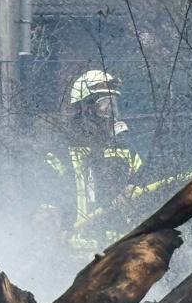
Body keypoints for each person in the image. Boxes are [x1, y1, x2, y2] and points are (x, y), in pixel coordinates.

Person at [41, 69, 143, 252]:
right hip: (75, 249)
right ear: (86, 108)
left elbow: (142, 177)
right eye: (104, 104)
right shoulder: (63, 148)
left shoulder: (123, 148)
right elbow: (47, 189)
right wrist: (49, 217)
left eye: (114, 104)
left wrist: (132, 188)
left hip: (118, 247)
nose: (111, 110)